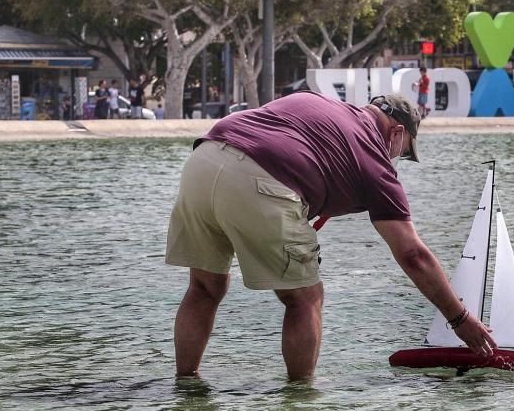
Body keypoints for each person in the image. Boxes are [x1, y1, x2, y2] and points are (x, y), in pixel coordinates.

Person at [165, 91, 497, 380]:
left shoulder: (317, 104)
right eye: (403, 152)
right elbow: (413, 255)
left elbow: (288, 145)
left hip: (203, 160)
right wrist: (460, 318)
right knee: (304, 298)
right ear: (397, 132)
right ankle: (300, 401)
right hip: (258, 178)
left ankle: (186, 383)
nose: (396, 159)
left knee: (205, 288)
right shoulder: (375, 161)